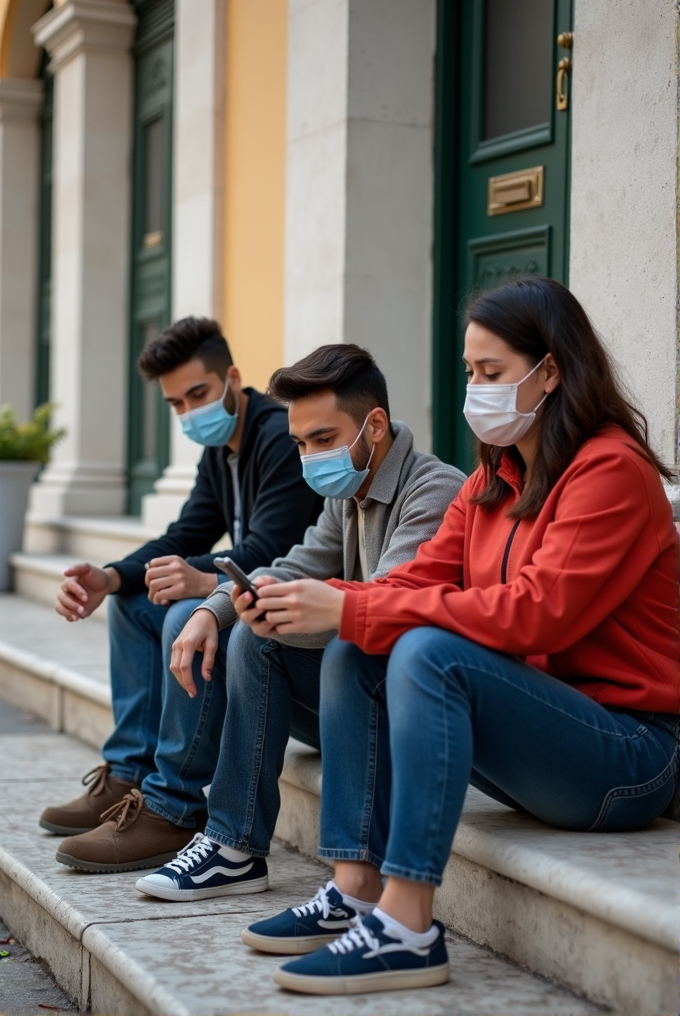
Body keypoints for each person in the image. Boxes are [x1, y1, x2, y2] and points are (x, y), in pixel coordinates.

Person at [236, 277, 679, 996]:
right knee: (363, 644)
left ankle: (409, 930)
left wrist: (351, 609)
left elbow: (537, 614)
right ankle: (356, 890)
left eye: (492, 372)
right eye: (470, 372)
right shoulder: (493, 479)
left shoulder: (611, 472)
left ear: (552, 371)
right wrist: (316, 602)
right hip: (542, 732)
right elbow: (413, 584)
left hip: (628, 757)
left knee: (422, 649)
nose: (476, 388)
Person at [121, 343, 466, 892]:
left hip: (401, 697)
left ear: (374, 425)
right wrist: (213, 610)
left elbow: (385, 603)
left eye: (324, 439)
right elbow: (293, 564)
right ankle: (229, 844)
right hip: (352, 687)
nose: (310, 457)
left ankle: (235, 842)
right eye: (301, 443)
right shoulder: (346, 494)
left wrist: (283, 609)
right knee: (245, 636)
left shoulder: (436, 488)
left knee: (267, 641)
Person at [43, 317, 323, 870]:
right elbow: (184, 533)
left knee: (183, 616)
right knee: (133, 605)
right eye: (176, 404)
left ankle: (174, 809)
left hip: (290, 615)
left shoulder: (279, 435)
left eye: (197, 394)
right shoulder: (220, 450)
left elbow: (275, 549)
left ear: (232, 378)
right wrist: (112, 576)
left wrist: (203, 583)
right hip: (249, 598)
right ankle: (129, 774)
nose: (189, 412)